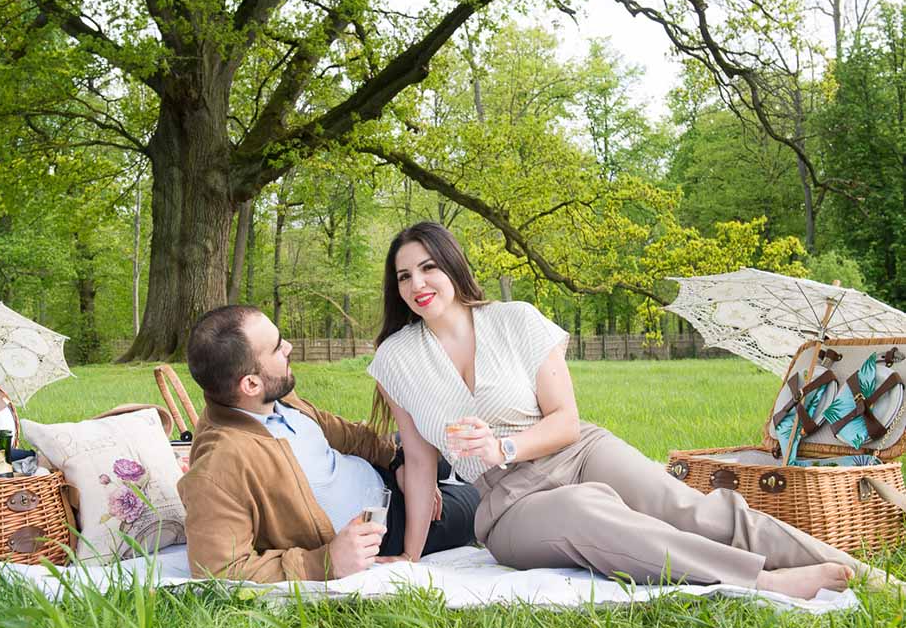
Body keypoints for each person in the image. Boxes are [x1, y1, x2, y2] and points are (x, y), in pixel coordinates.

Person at [366, 221, 895, 600]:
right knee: (585, 512)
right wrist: (411, 558)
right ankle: (760, 580)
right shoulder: (396, 360)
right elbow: (416, 461)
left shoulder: (516, 320)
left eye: (427, 268)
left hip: (573, 451)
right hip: (506, 503)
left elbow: (565, 422)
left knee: (693, 508)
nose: (417, 285)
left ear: (452, 266)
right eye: (404, 276)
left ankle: (866, 574)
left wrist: (502, 443)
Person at [178, 304, 479, 582]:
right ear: (251, 384)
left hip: (379, 470)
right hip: (384, 525)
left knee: (441, 439)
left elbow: (345, 434)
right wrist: (323, 562)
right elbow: (217, 570)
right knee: (477, 499)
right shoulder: (218, 467)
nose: (289, 348)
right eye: (277, 346)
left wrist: (399, 460)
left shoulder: (275, 398)